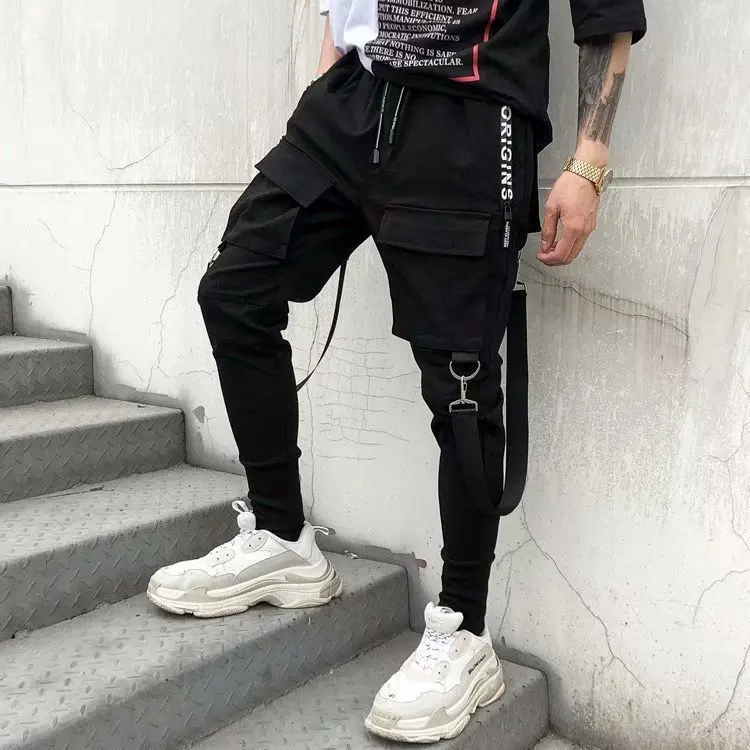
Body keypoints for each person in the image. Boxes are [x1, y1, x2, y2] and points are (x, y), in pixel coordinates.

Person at [148, 0, 646, 742]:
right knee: (235, 292)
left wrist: (589, 161)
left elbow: (604, 12)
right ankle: (282, 538)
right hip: (351, 99)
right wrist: (326, 89)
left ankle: (464, 631)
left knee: (461, 381)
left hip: (468, 111)